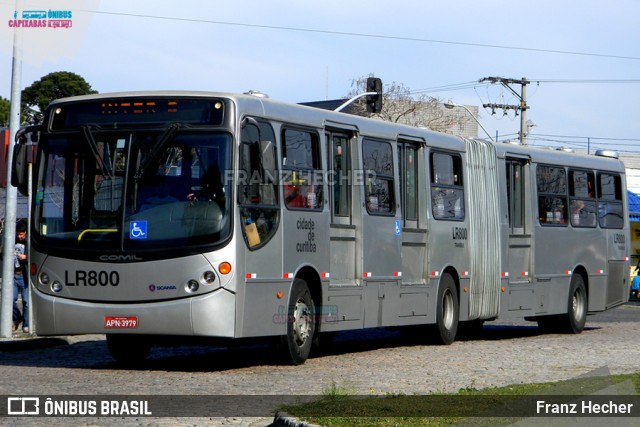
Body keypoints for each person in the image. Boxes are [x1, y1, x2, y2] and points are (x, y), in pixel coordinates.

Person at [13, 221, 29, 333]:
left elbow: (34, 255)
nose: (19, 236)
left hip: (24, 275)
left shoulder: (29, 243)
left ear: (25, 233)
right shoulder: (11, 241)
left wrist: (26, 257)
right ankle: (16, 318)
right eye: (18, 234)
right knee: (11, 300)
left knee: (26, 302)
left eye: (21, 235)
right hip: (13, 275)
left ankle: (26, 324)